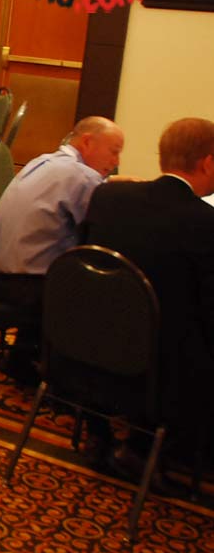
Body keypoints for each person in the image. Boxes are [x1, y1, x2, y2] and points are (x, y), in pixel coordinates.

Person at [81, 117, 214, 465]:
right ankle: (157, 452)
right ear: (208, 163)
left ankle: (99, 431)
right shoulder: (204, 223)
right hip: (158, 370)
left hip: (83, 346)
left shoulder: (108, 195)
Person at [0, 116, 125, 383]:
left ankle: (24, 354)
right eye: (114, 152)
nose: (116, 162)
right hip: (19, 286)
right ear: (88, 142)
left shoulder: (44, 161)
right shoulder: (82, 176)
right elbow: (102, 231)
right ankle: (70, 379)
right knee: (104, 289)